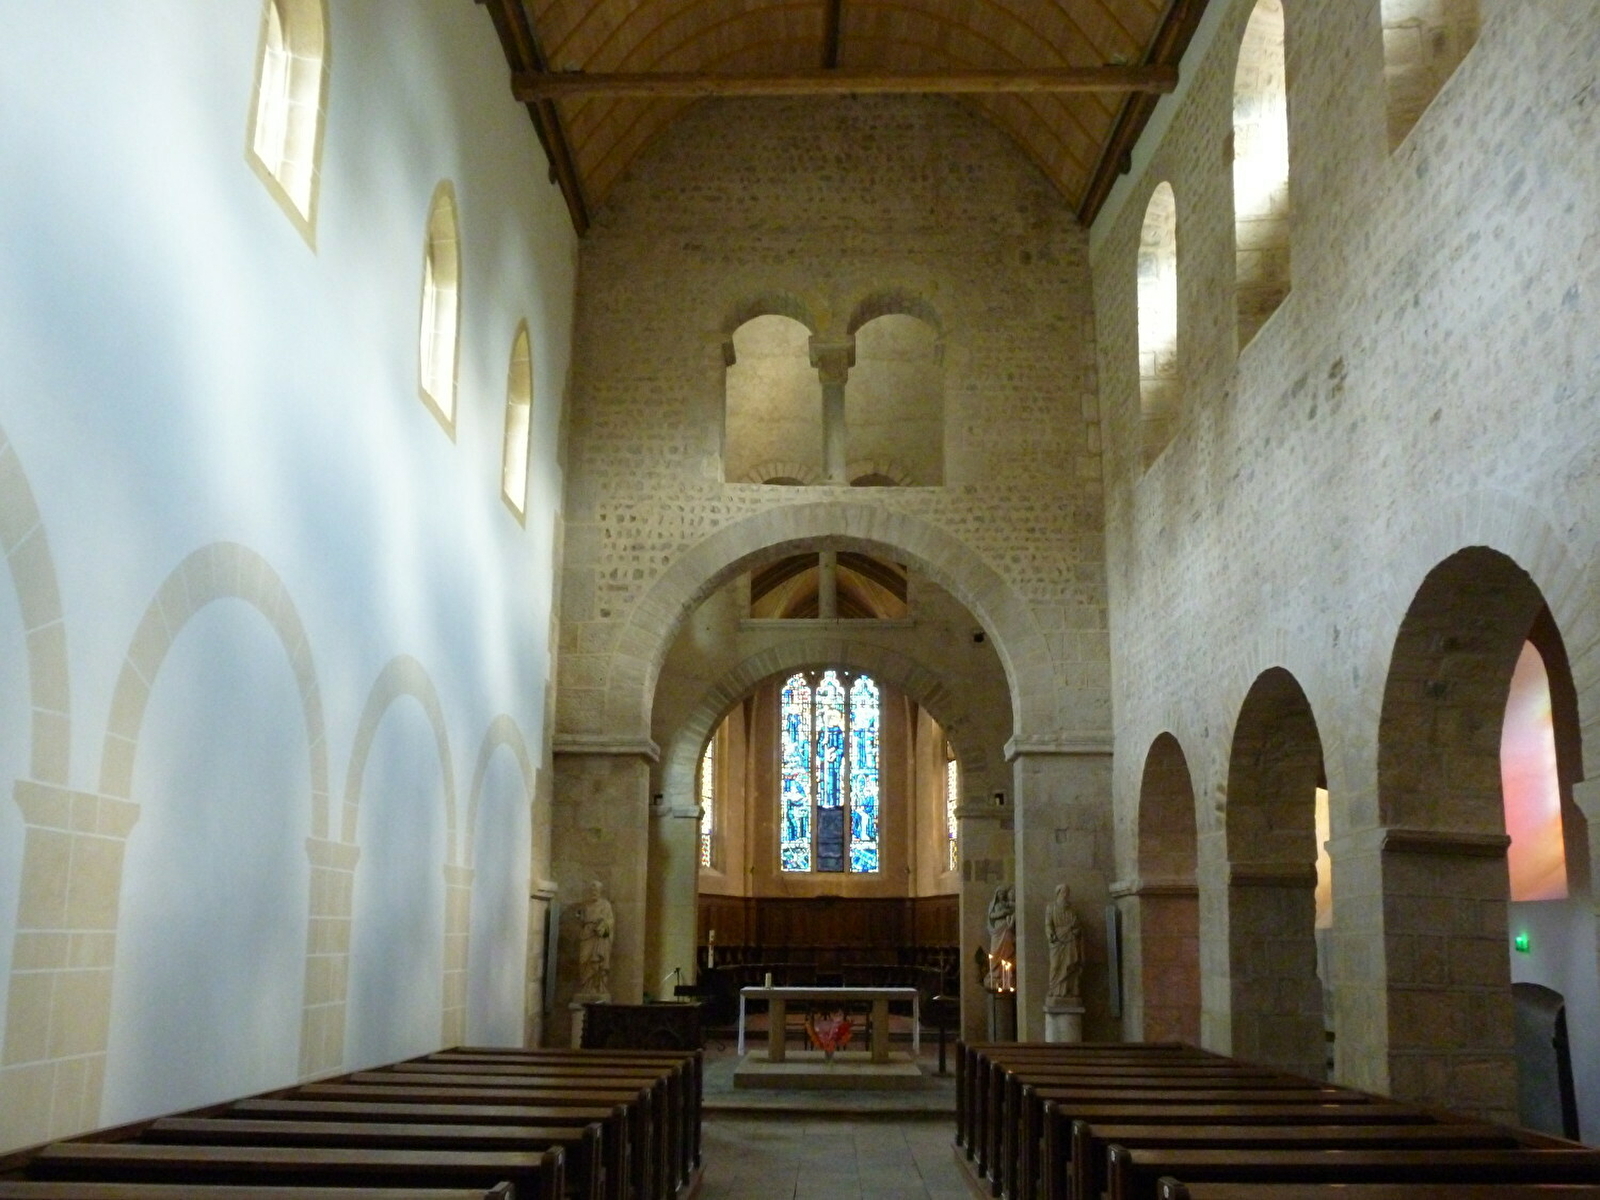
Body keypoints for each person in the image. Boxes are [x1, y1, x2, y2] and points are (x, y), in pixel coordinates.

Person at [575, 879, 614, 998]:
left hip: (599, 937)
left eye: (596, 890)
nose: (594, 892)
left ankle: (598, 987)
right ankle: (585, 987)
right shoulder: (585, 905)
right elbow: (580, 920)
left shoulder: (605, 905)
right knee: (584, 959)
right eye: (592, 890)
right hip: (587, 934)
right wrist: (579, 917)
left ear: (600, 891)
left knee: (597, 961)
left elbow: (610, 921)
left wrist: (602, 925)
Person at [1046, 882, 1084, 1003]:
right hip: (1057, 940)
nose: (1065, 895)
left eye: (1067, 892)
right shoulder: (1051, 908)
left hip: (1070, 940)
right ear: (1058, 893)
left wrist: (1076, 931)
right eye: (1063, 892)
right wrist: (1051, 934)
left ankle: (1069, 990)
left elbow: (1077, 925)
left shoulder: (1072, 909)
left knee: (1070, 965)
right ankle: (1054, 989)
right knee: (1055, 965)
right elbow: (1048, 924)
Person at [986, 883, 1016, 990]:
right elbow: (991, 915)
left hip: (1006, 928)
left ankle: (1006, 973)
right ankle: (995, 973)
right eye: (1000, 893)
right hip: (997, 930)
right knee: (995, 952)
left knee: (1007, 950)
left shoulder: (1007, 904)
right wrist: (1003, 913)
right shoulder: (994, 904)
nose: (1001, 895)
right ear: (996, 894)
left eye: (1003, 893)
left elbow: (1014, 909)